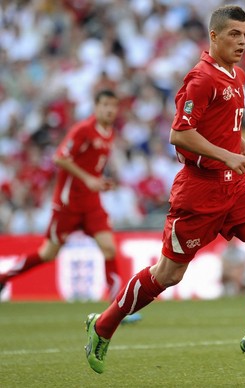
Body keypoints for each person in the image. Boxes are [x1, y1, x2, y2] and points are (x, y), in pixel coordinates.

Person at [84, 5, 245, 375]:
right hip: (199, 193)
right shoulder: (200, 79)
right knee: (168, 275)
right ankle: (104, 324)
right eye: (234, 35)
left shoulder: (237, 75)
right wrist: (227, 156)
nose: (242, 41)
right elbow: (179, 133)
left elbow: (224, 128)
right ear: (214, 36)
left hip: (236, 189)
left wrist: (244, 150)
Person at [0, 90, 140, 323]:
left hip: (91, 203)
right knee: (48, 253)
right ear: (96, 107)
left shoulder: (110, 133)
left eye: (113, 106)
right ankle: (3, 277)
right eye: (105, 105)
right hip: (68, 203)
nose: (109, 110)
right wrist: (87, 179)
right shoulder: (83, 130)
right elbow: (59, 158)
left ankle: (117, 310)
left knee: (109, 248)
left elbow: (92, 166)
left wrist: (98, 181)